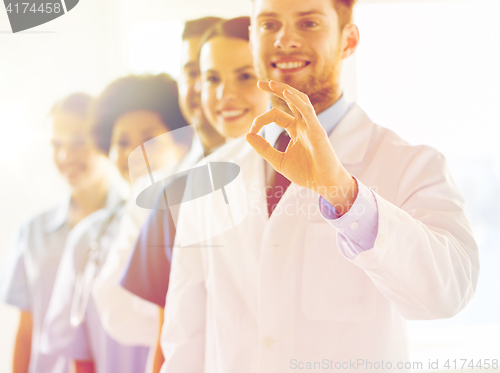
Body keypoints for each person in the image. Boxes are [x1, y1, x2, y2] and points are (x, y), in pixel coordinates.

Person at [160, 0, 480, 372]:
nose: (284, 39)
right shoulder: (210, 176)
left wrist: (345, 194)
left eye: (309, 23)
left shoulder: (410, 163)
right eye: (268, 24)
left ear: (348, 41)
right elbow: (186, 334)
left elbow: (447, 294)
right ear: (251, 40)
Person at [118, 16, 268, 372]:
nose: (222, 94)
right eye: (209, 77)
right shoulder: (175, 195)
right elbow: (170, 334)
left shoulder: (316, 178)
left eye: (245, 75)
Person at [40, 74, 189, 373]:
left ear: (182, 144)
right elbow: (79, 355)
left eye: (149, 140)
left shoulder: (203, 228)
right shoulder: (88, 238)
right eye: (122, 142)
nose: (135, 153)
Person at [0, 93, 126, 373]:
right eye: (57, 144)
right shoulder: (31, 232)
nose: (65, 156)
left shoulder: (134, 228)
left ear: (104, 142)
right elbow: (26, 330)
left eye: (78, 143)